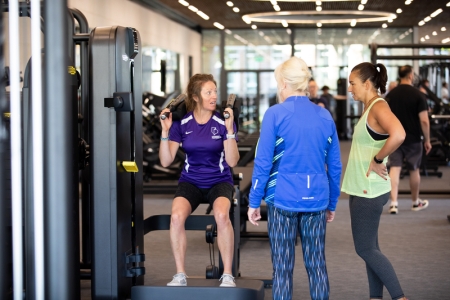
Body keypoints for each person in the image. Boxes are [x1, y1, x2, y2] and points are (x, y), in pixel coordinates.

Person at [247, 56, 341, 300]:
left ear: (284, 84)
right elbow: (335, 166)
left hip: (282, 201)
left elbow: (263, 162)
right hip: (316, 200)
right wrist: (331, 203)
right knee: (317, 266)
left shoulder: (275, 114)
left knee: (282, 270)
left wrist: (254, 201)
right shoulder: (324, 116)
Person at [159, 74, 240, 287]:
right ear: (195, 97)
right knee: (176, 217)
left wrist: (230, 130)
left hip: (219, 180)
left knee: (222, 215)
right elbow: (166, 161)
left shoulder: (223, 121)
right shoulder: (182, 124)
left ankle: (228, 274)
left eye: (215, 91)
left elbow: (232, 161)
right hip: (191, 181)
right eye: (209, 92)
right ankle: (180, 274)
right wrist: (165, 132)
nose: (214, 96)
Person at [341, 62, 408, 300]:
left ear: (367, 84)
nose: (350, 88)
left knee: (365, 249)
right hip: (363, 187)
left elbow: (399, 133)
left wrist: (379, 159)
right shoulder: (370, 107)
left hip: (368, 189)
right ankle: (375, 297)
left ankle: (400, 297)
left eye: (352, 83)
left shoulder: (378, 106)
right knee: (371, 249)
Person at [385, 65, 432, 214]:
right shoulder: (418, 95)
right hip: (413, 138)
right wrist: (428, 140)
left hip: (395, 138)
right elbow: (424, 121)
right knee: (414, 169)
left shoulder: (392, 94)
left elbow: (385, 116)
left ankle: (393, 203)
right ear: (411, 75)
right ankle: (415, 202)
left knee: (395, 168)